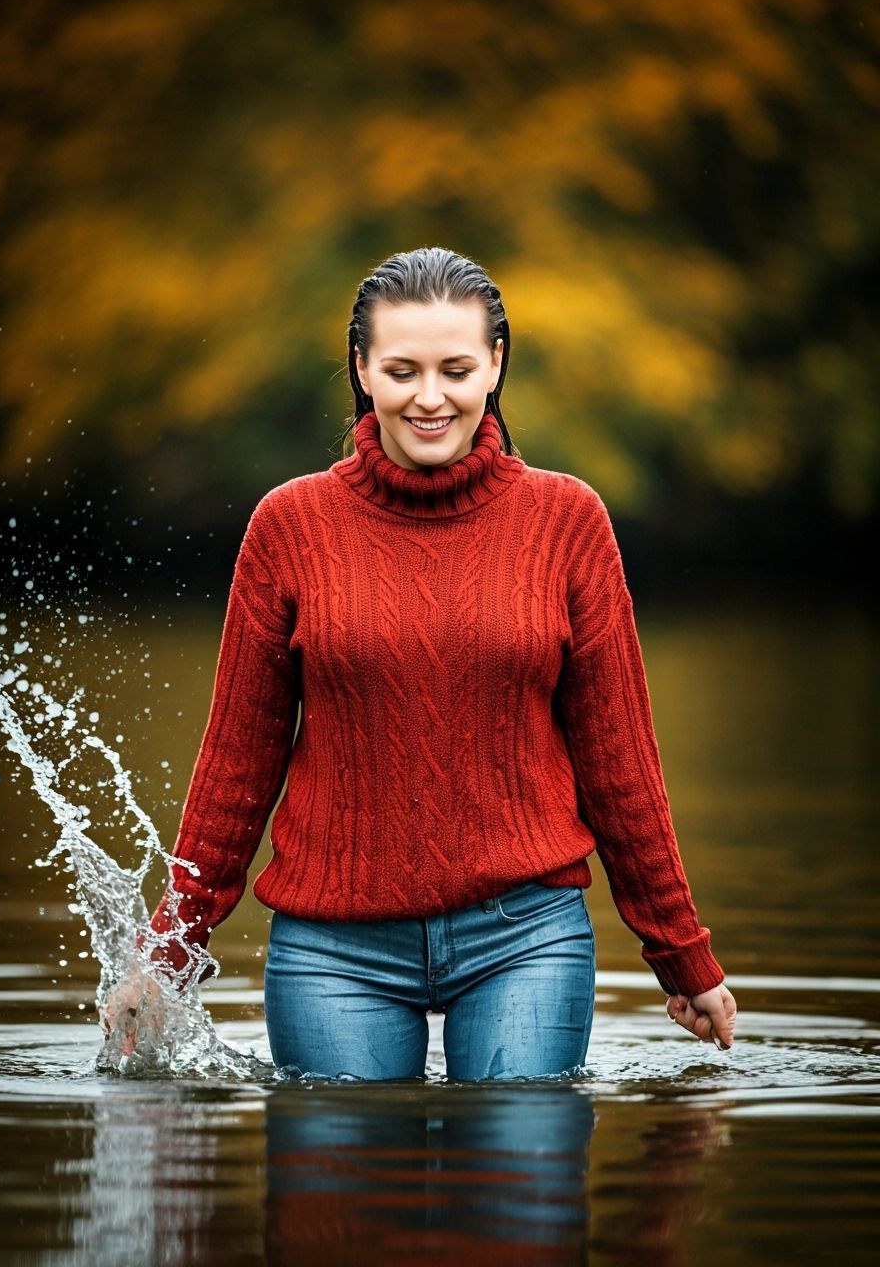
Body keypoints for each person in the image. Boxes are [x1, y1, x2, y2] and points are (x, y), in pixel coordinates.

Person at [101, 246, 737, 1079]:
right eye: (401, 369)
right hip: (333, 950)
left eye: (456, 368)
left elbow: (620, 767)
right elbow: (236, 768)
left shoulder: (568, 522)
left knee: (520, 1191)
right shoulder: (289, 526)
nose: (429, 397)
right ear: (362, 369)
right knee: (340, 1209)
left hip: (527, 939)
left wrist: (682, 955)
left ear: (495, 365)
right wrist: (166, 953)